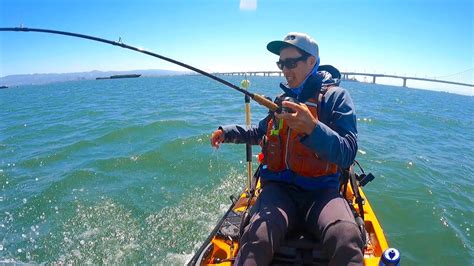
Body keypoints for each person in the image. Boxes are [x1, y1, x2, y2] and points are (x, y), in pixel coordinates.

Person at [210, 32, 363, 265]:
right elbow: (260, 132)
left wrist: (313, 128)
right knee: (257, 236)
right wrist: (227, 132)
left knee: (345, 236)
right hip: (279, 191)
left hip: (321, 193)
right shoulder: (281, 100)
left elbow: (348, 152)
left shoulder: (336, 98)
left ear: (312, 61)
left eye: (291, 62)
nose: (284, 69)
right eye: (281, 63)